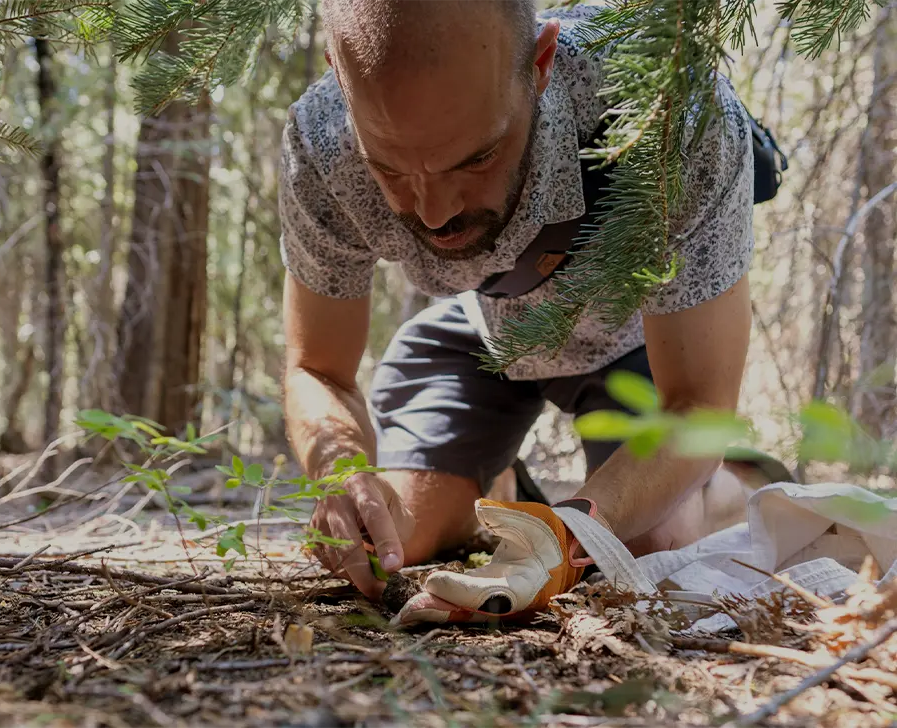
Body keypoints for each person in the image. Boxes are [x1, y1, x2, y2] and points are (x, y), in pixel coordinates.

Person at [278, 0, 769, 619]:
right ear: (340, 79)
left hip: (638, 343)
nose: (433, 212)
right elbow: (318, 368)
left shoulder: (669, 110)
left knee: (646, 547)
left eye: (477, 158)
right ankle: (500, 487)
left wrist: (564, 537)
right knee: (390, 541)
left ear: (540, 65)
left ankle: (738, 482)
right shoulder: (320, 142)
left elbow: (695, 405)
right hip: (482, 336)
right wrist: (338, 473)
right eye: (388, 167)